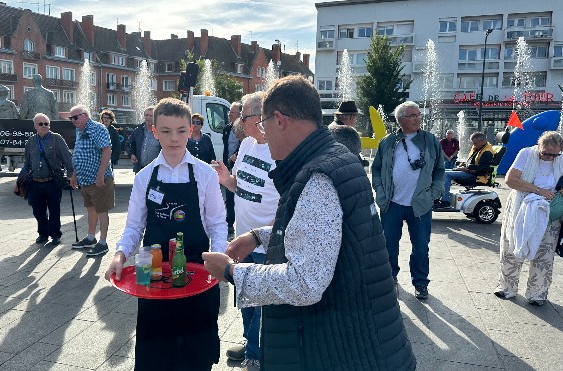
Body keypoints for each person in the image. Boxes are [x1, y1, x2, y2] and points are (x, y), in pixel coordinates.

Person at [203, 76, 416, 370]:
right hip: (363, 335)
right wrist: (259, 236)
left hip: (341, 348)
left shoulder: (317, 177)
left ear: (279, 120)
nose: (262, 135)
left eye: (263, 125)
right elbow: (324, 232)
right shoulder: (337, 157)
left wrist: (231, 272)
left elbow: (305, 283)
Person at [105, 98, 227, 371]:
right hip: (155, 274)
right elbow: (135, 226)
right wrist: (120, 254)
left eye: (182, 130)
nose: (175, 138)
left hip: (197, 271)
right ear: (154, 131)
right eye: (167, 131)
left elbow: (218, 223)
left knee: (196, 354)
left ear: (191, 129)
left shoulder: (205, 174)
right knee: (156, 353)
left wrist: (218, 257)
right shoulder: (145, 177)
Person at [213, 92, 280, 368]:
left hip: (265, 243)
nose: (239, 121)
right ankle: (249, 341)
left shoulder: (281, 150)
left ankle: (256, 352)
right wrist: (225, 178)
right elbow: (238, 186)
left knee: (262, 301)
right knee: (245, 296)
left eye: (243, 117)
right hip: (243, 238)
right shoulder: (248, 144)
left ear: (258, 118)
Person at [371, 101, 444, 300]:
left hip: (420, 205)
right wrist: (379, 190)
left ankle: (420, 282)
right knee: (388, 244)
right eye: (412, 115)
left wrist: (434, 193)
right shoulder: (388, 141)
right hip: (391, 203)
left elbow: (439, 171)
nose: (417, 118)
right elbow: (376, 168)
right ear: (400, 119)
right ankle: (390, 277)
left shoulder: (430, 140)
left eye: (418, 115)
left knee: (421, 245)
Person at [494, 131, 563, 306]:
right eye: (546, 153)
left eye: (555, 154)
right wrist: (538, 190)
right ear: (539, 146)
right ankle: (506, 287)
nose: (549, 157)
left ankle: (537, 293)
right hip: (521, 205)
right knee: (512, 246)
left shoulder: (561, 158)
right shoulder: (526, 153)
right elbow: (510, 180)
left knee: (545, 253)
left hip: (550, 210)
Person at [68, 105, 114, 257]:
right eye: (71, 118)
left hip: (98, 179)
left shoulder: (98, 128)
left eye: (75, 117)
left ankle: (103, 243)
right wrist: (75, 174)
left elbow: (107, 151)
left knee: (102, 210)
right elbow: (79, 152)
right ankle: (90, 238)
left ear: (85, 115)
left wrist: (101, 174)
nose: (73, 120)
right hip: (85, 178)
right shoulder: (79, 130)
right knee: (90, 208)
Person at [21, 113, 74, 246]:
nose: (44, 126)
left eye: (47, 124)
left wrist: (71, 174)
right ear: (35, 126)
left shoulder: (56, 139)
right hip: (35, 182)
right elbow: (27, 163)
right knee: (38, 211)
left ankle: (55, 234)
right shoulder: (31, 141)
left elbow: (67, 158)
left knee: (54, 210)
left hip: (52, 182)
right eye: (41, 124)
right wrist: (20, 180)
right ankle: (43, 233)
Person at [436, 132, 494, 208]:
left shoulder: (486, 152)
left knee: (446, 174)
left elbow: (481, 170)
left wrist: (465, 169)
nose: (474, 145)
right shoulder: (480, 148)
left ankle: (445, 202)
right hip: (469, 171)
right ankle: (438, 197)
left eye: (475, 143)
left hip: (475, 175)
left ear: (482, 141)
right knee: (442, 171)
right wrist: (463, 164)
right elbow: (473, 162)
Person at [222, 102, 242, 235]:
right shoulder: (227, 128)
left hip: (239, 164)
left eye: (233, 112)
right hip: (228, 165)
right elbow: (225, 147)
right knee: (228, 195)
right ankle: (229, 223)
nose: (230, 114)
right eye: (230, 112)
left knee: (240, 195)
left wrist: (236, 156)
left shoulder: (244, 129)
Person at [125, 107, 160, 173]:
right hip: (140, 169)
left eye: (151, 116)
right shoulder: (138, 130)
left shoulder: (160, 131)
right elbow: (127, 144)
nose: (148, 118)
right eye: (146, 115)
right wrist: (131, 154)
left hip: (155, 170)